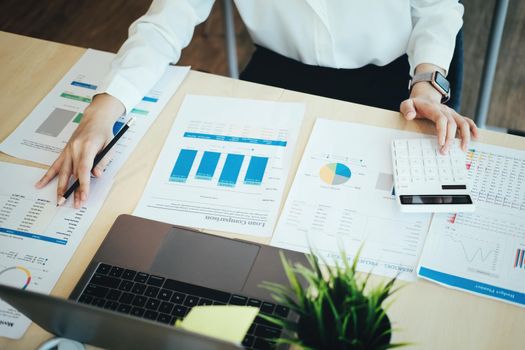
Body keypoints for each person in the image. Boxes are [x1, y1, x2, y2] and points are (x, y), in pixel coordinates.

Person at [36, 0, 479, 208]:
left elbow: (437, 10)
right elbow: (165, 22)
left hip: (400, 77)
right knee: (243, 209)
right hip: (281, 72)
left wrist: (425, 86)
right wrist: (103, 110)